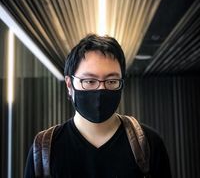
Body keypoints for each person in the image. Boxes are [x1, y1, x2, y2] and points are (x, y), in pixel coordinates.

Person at [24, 34, 172, 178]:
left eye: (112, 81)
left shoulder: (149, 143)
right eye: (89, 81)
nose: (101, 90)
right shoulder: (44, 151)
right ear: (69, 84)